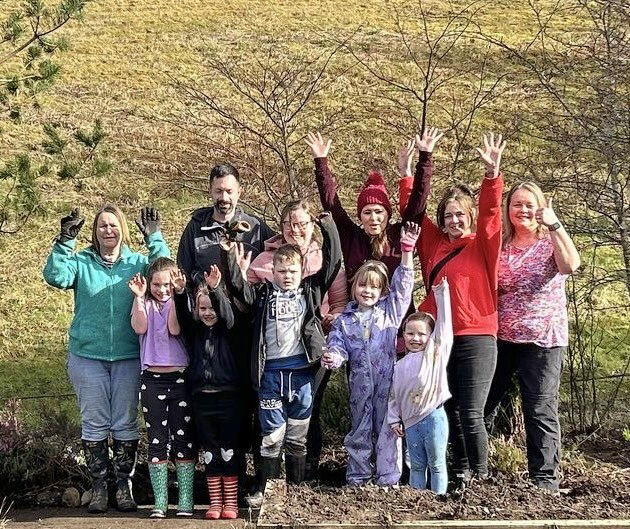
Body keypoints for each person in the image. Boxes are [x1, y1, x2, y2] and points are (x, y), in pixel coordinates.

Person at [43, 205, 169, 513]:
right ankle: (99, 486)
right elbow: (55, 276)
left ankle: (123, 486)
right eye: (102, 226)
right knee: (95, 423)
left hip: (128, 355)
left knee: (125, 423)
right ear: (94, 231)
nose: (108, 230)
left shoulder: (137, 263)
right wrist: (64, 241)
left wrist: (154, 237)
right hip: (87, 355)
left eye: (113, 225)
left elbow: (165, 271)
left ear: (123, 229)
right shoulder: (81, 262)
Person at [400, 133, 506, 486]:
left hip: (477, 336)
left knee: (470, 411)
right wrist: (412, 170)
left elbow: (492, 216)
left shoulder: (483, 246)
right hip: (439, 337)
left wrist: (492, 174)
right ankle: (454, 473)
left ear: (469, 216)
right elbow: (413, 212)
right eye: (448, 215)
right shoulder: (433, 243)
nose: (454, 221)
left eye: (460, 215)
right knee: (442, 409)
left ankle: (479, 477)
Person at [221, 213, 342, 492]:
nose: (287, 277)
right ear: (272, 272)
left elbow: (333, 264)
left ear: (302, 272)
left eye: (292, 272)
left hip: (301, 374)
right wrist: (228, 252)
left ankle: (295, 493)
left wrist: (328, 228)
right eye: (282, 271)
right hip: (271, 375)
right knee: (271, 437)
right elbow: (239, 289)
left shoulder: (310, 293)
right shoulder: (263, 295)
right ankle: (268, 492)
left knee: (298, 438)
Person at [484, 182, 580, 491]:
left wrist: (554, 223)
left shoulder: (548, 240)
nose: (523, 210)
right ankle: (475, 469)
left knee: (539, 409)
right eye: (516, 205)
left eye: (529, 205)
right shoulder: (500, 245)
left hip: (543, 339)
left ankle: (544, 480)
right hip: (501, 338)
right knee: (482, 404)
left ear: (540, 208)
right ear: (507, 209)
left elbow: (571, 265)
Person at [247, 199, 349, 480]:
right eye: (290, 224)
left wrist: (328, 227)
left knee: (303, 421)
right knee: (269, 428)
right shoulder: (264, 273)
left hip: (307, 358)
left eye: (302, 223)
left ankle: (303, 480)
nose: (296, 229)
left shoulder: (312, 283)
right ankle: (267, 483)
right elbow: (243, 297)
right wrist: (233, 264)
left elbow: (334, 267)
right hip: (270, 363)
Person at [321, 223, 420, 486]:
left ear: (381, 291)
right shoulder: (345, 320)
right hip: (359, 388)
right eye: (363, 286)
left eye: (374, 288)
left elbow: (403, 287)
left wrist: (407, 251)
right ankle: (358, 479)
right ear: (354, 288)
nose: (367, 291)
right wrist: (333, 356)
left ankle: (388, 481)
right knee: (359, 433)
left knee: (389, 432)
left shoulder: (390, 312)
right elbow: (338, 346)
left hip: (387, 387)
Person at [306, 129, 442, 285]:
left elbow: (418, 199)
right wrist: (321, 162)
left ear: (388, 214)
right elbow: (332, 204)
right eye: (367, 212)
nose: (373, 218)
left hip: (400, 309)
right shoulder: (352, 238)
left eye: (379, 211)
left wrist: (425, 157)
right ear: (360, 216)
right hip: (358, 309)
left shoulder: (402, 234)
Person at [172, 265, 243, 519]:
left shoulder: (230, 329)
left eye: (211, 308)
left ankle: (231, 502)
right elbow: (183, 317)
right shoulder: (196, 332)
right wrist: (181, 293)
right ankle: (215, 502)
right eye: (202, 308)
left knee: (229, 449)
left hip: (229, 398)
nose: (208, 313)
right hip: (202, 399)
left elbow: (227, 314)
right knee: (210, 450)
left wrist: (214, 291)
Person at [127, 257, 193, 518]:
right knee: (157, 441)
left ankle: (185, 500)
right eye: (157, 284)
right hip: (152, 379)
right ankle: (160, 502)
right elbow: (139, 327)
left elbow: (175, 329)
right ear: (149, 282)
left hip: (179, 378)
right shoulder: (144, 304)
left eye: (167, 284)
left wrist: (176, 296)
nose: (162, 289)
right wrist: (138, 297)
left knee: (183, 440)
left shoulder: (177, 303)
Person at [387, 278, 453, 493]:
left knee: (436, 464)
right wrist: (394, 419)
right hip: (410, 422)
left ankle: (438, 500)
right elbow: (395, 396)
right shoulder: (399, 365)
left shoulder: (434, 354)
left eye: (422, 334)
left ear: (430, 336)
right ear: (403, 335)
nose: (415, 338)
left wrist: (442, 295)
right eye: (410, 333)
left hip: (433, 416)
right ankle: (416, 500)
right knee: (416, 465)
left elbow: (444, 328)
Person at [177, 162, 275, 284]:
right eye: (218, 191)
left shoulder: (256, 227)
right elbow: (183, 272)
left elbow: (280, 258)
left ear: (239, 192)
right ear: (210, 191)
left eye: (229, 191)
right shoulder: (196, 227)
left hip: (246, 301)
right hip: (207, 300)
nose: (224, 198)